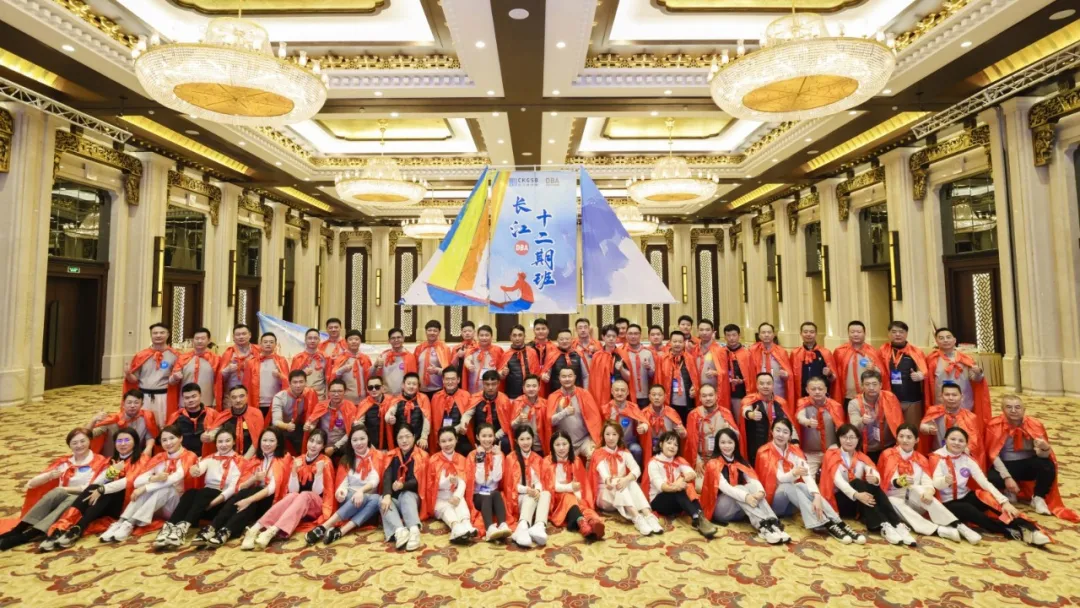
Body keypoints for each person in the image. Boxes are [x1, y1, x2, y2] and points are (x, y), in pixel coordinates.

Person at [930, 427, 1049, 546]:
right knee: (969, 510)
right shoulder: (937, 457)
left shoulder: (967, 459)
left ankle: (1030, 528)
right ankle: (1012, 531)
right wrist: (945, 481)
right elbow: (936, 485)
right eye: (953, 439)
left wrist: (1004, 502)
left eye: (961, 441)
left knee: (988, 498)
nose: (956, 443)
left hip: (965, 496)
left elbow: (985, 483)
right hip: (946, 503)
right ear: (945, 440)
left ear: (966, 444)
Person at [40, 428, 152, 551]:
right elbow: (97, 482)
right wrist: (111, 473)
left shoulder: (142, 459)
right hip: (104, 501)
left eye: (127, 440)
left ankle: (78, 527)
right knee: (93, 488)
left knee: (106, 491)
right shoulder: (111, 460)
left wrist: (102, 489)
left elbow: (129, 481)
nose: (123, 444)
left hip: (126, 503)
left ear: (135, 442)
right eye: (119, 441)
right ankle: (62, 528)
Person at [0, 428, 110, 550]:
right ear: (69, 445)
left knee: (69, 498)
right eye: (74, 443)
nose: (79, 445)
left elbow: (92, 487)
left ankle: (29, 534)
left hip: (85, 500)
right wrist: (50, 476)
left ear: (89, 441)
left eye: (82, 441)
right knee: (57, 493)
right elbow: (31, 484)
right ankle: (18, 529)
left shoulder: (101, 462)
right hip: (62, 494)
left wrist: (64, 489)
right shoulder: (65, 462)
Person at [753, 418, 854, 543]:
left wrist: (816, 496)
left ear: (790, 436)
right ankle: (824, 523)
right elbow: (781, 478)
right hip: (773, 503)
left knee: (801, 485)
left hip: (794, 502)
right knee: (787, 486)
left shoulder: (795, 451)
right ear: (771, 432)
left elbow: (807, 475)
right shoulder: (764, 452)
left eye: (785, 432)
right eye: (777, 430)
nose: (781, 435)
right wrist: (794, 473)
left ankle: (837, 521)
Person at [877, 424, 979, 543]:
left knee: (919, 489)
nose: (905, 440)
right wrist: (899, 481)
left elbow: (927, 482)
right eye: (901, 436)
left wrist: (930, 491)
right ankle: (939, 530)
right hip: (894, 500)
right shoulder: (888, 454)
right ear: (897, 438)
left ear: (916, 440)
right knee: (892, 501)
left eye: (909, 437)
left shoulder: (921, 459)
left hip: (916, 500)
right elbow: (886, 480)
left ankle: (958, 525)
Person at [818, 424, 916, 546]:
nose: (848, 441)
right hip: (838, 502)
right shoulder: (831, 455)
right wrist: (856, 495)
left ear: (858, 439)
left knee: (873, 486)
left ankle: (896, 524)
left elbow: (873, 472)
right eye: (844, 437)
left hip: (859, 503)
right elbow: (838, 481)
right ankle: (882, 525)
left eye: (852, 437)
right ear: (839, 438)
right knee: (857, 482)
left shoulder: (862, 457)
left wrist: (875, 479)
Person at [984, 395, 1078, 522]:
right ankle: (1008, 490)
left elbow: (1043, 456)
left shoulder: (1034, 425)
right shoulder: (994, 425)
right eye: (1009, 407)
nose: (1013, 410)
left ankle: (1038, 497)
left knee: (1048, 466)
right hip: (1005, 463)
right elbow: (993, 455)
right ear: (1002, 409)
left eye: (1017, 407)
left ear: (1024, 410)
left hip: (1027, 463)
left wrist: (1045, 448)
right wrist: (1007, 478)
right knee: (992, 478)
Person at [101, 426, 198, 543]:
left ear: (181, 438)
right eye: (164, 440)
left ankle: (130, 523)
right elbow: (137, 481)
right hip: (155, 505)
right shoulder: (159, 457)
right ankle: (121, 522)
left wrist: (144, 488)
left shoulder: (189, 456)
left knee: (167, 489)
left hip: (177, 506)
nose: (168, 443)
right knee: (148, 489)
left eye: (172, 438)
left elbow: (174, 478)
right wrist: (153, 478)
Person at [242, 429, 336, 550]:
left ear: (323, 446)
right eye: (311, 441)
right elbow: (293, 490)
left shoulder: (325, 462)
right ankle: (255, 528)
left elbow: (319, 493)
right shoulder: (299, 459)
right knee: (292, 495)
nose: (313, 445)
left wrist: (319, 474)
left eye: (318, 443)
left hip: (317, 505)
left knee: (305, 494)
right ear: (307, 441)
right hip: (299, 504)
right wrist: (294, 472)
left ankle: (273, 530)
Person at [204, 428, 291, 548]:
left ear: (278, 443)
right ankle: (214, 527)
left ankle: (226, 530)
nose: (267, 444)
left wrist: (248, 500)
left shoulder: (284, 458)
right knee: (246, 492)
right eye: (264, 440)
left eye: (271, 441)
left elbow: (272, 489)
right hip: (254, 499)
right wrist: (254, 479)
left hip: (272, 501)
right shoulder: (256, 459)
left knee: (253, 493)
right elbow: (241, 486)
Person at [700, 428, 789, 544]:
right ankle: (763, 526)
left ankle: (773, 523)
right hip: (721, 509)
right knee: (740, 488)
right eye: (723, 442)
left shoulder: (740, 461)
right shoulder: (713, 464)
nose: (727, 446)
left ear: (735, 444)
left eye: (730, 442)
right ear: (717, 444)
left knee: (753, 487)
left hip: (740, 507)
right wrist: (746, 497)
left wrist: (760, 492)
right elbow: (726, 488)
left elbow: (752, 479)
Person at [158, 427, 242, 549]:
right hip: (203, 502)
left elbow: (233, 488)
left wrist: (212, 503)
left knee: (206, 492)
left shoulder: (240, 461)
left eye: (227, 441)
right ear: (215, 443)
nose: (223, 445)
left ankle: (183, 528)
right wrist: (194, 470)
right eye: (220, 441)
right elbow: (199, 468)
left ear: (234, 442)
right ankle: (170, 526)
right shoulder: (210, 458)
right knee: (190, 492)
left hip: (221, 503)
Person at [305, 425, 384, 546]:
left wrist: (361, 491)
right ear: (350, 442)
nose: (359, 443)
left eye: (362, 439)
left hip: (367, 499)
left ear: (368, 439)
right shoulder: (346, 459)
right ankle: (325, 527)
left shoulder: (377, 456)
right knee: (363, 497)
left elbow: (375, 480)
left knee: (377, 498)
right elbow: (342, 483)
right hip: (349, 498)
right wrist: (340, 492)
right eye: (355, 440)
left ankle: (340, 531)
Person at [589, 421, 662, 536]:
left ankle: (648, 515)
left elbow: (636, 469)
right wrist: (610, 480)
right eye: (607, 434)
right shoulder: (598, 453)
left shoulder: (624, 452)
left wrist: (626, 479)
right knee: (618, 481)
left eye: (614, 434)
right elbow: (604, 473)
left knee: (630, 482)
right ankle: (636, 517)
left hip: (621, 490)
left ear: (619, 436)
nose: (611, 438)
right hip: (604, 495)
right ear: (603, 436)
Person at [647, 431, 718, 538]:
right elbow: (661, 486)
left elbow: (692, 474)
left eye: (676, 444)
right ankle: (698, 518)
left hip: (676, 502)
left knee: (687, 486)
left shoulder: (679, 460)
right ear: (661, 444)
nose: (672, 446)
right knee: (679, 491)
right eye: (669, 443)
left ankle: (699, 518)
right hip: (659, 501)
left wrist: (682, 479)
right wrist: (676, 486)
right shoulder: (654, 463)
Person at [545, 429, 605, 540]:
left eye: (564, 444)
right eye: (557, 445)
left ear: (570, 445)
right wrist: (569, 487)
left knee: (581, 504)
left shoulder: (576, 461)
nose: (561, 448)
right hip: (556, 498)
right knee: (568, 496)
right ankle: (582, 522)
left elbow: (582, 485)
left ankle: (592, 522)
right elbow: (551, 486)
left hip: (573, 496)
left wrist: (578, 496)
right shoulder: (547, 462)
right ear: (552, 446)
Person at [924, 328, 991, 423]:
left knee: (964, 430)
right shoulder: (932, 360)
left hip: (964, 404)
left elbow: (976, 380)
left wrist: (978, 373)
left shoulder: (965, 359)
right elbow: (927, 385)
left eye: (948, 337)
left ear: (954, 340)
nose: (945, 340)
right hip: (941, 405)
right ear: (936, 341)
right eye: (941, 338)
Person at [426, 427, 478, 544]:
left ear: (456, 440)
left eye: (450, 440)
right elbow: (432, 485)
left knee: (461, 504)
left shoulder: (461, 459)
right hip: (439, 498)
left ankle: (466, 524)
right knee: (448, 510)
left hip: (455, 495)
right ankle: (455, 527)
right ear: (438, 443)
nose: (447, 444)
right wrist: (449, 481)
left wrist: (457, 495)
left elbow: (464, 481)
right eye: (443, 441)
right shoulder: (433, 460)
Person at [380, 426, 429, 552]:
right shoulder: (391, 455)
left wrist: (403, 485)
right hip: (396, 501)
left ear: (414, 437)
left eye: (407, 436)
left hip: (413, 499)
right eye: (400, 437)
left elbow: (420, 482)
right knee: (382, 500)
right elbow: (387, 477)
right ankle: (400, 530)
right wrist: (387, 495)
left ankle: (414, 530)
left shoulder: (422, 456)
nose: (404, 440)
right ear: (396, 440)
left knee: (406, 494)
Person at [123, 323, 180, 427]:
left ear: (168, 334)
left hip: (164, 397)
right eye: (155, 333)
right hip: (143, 397)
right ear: (151, 335)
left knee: (163, 424)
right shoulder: (141, 355)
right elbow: (134, 380)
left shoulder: (175, 355)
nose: (158, 335)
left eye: (162, 333)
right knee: (142, 425)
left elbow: (177, 380)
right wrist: (128, 374)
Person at [505, 425, 552, 547]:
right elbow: (510, 486)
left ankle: (539, 526)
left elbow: (539, 481)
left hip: (532, 498)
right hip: (518, 498)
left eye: (528, 438)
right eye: (522, 439)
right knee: (529, 496)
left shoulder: (537, 458)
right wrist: (527, 490)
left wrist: (537, 490)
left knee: (546, 493)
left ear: (532, 439)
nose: (525, 442)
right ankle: (522, 526)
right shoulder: (510, 458)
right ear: (516, 441)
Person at [541, 367, 602, 460]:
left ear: (575, 377)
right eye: (564, 376)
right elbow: (550, 422)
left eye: (570, 376)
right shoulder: (553, 397)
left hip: (584, 440)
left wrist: (593, 439)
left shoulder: (584, 394)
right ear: (559, 378)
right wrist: (564, 413)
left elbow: (595, 420)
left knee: (595, 455)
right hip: (564, 442)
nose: (567, 379)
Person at [466, 424, 514, 541]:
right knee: (488, 494)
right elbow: (480, 481)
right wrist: (480, 458)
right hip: (478, 495)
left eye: (490, 436)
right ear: (477, 437)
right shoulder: (472, 455)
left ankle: (502, 524)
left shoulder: (498, 453)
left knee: (496, 493)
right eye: (484, 436)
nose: (487, 439)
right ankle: (489, 528)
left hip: (493, 493)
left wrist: (497, 457)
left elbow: (497, 478)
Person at [684, 384, 738, 487]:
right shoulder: (694, 415)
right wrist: (697, 461)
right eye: (704, 396)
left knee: (725, 485)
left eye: (710, 395)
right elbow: (691, 441)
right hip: (702, 460)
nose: (708, 398)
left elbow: (737, 438)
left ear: (716, 396)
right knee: (700, 487)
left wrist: (730, 430)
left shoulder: (725, 413)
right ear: (700, 398)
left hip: (722, 459)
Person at [920, 382, 983, 465]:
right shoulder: (933, 411)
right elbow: (922, 429)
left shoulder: (970, 417)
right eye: (947, 395)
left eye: (954, 395)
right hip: (937, 457)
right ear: (941, 397)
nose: (950, 398)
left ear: (962, 397)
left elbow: (974, 440)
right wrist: (926, 428)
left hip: (960, 458)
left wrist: (967, 449)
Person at [847, 369, 903, 462]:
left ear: (880, 385)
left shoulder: (890, 398)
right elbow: (853, 427)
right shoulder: (854, 403)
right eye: (867, 384)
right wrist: (862, 421)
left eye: (874, 384)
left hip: (889, 446)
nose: (871, 387)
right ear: (862, 386)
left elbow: (899, 422)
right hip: (866, 449)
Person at [880, 321, 927, 428]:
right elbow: (879, 369)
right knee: (891, 431)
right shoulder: (883, 351)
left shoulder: (916, 351)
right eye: (894, 332)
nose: (897, 334)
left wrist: (920, 375)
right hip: (890, 399)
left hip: (912, 399)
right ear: (888, 334)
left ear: (906, 334)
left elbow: (923, 370)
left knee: (912, 429)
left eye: (901, 332)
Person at [794, 377, 845, 476]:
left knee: (837, 477)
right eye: (813, 389)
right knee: (807, 478)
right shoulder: (802, 403)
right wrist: (807, 422)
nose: (817, 392)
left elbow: (841, 429)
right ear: (807, 390)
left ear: (826, 390)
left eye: (820, 389)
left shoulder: (835, 406)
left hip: (831, 452)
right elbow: (799, 417)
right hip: (810, 453)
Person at [88, 389, 159, 458]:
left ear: (142, 404)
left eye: (136, 403)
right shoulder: (112, 420)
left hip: (135, 457)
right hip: (113, 457)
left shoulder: (146, 417)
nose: (132, 405)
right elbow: (88, 434)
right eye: (129, 402)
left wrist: (149, 448)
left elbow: (150, 437)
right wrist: (93, 420)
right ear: (123, 404)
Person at [739, 374, 792, 465]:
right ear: (757, 385)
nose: (765, 386)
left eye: (768, 383)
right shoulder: (750, 400)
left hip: (778, 445)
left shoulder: (781, 402)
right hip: (757, 447)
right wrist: (751, 414)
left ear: (773, 385)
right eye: (762, 383)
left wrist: (794, 441)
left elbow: (789, 423)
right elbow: (745, 410)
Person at [832, 320, 886, 403]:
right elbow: (835, 375)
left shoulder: (872, 351)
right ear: (848, 333)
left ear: (864, 333)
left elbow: (883, 374)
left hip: (868, 397)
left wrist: (874, 368)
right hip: (847, 396)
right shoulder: (839, 352)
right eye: (852, 332)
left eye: (859, 332)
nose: (855, 334)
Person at [204, 385, 264, 457]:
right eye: (234, 397)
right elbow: (215, 431)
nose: (238, 400)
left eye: (241, 396)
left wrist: (244, 460)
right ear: (230, 399)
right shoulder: (224, 415)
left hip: (250, 456)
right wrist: (208, 437)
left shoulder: (256, 414)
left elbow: (256, 441)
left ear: (247, 397)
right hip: (227, 456)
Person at [602, 379, 650, 469]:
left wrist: (644, 426)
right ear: (612, 391)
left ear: (627, 392)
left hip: (629, 442)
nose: (619, 393)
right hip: (611, 443)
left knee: (637, 450)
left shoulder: (633, 407)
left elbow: (643, 421)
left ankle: (636, 474)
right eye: (617, 390)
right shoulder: (606, 409)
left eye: (623, 390)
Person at [304, 379, 358, 458]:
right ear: (328, 392)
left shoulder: (350, 407)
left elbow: (352, 431)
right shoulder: (321, 406)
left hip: (342, 445)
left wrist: (335, 447)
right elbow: (314, 424)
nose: (336, 394)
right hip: (322, 444)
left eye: (340, 391)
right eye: (333, 391)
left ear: (345, 392)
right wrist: (309, 428)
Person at [462, 370, 512, 454]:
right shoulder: (476, 397)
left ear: (498, 383)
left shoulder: (504, 400)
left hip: (497, 435)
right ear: (483, 384)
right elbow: (468, 414)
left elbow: (506, 425)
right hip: (479, 435)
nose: (490, 387)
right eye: (487, 384)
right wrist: (464, 423)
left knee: (506, 442)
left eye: (493, 384)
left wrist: (493, 437)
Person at [271, 370, 320, 454]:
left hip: (298, 427)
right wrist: (286, 426)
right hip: (281, 427)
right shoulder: (279, 397)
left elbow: (315, 417)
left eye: (301, 382)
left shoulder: (310, 395)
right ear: (289, 383)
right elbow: (275, 421)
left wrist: (310, 427)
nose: (298, 385)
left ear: (306, 383)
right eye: (295, 382)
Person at [656, 331, 700, 424]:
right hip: (669, 401)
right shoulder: (663, 359)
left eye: (680, 342)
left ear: (684, 343)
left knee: (686, 425)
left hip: (687, 401)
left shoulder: (690, 358)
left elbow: (696, 378)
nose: (677, 344)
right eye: (675, 341)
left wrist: (695, 387)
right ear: (670, 342)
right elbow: (658, 379)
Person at [172, 327, 220, 410]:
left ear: (209, 340)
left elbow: (220, 382)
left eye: (203, 338)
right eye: (197, 338)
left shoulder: (216, 359)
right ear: (193, 340)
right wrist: (175, 378)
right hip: (185, 403)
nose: (199, 341)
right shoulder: (183, 358)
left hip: (207, 403)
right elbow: (171, 381)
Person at [429, 367, 474, 454]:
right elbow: (433, 423)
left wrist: (457, 429)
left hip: (461, 435)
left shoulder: (466, 395)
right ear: (443, 380)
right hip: (442, 437)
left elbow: (470, 419)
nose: (450, 382)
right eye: (447, 379)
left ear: (458, 380)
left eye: (453, 379)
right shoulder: (436, 397)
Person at [245, 332, 289, 418]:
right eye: (265, 342)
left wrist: (280, 376)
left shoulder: (281, 361)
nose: (268, 344)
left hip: (276, 402)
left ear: (275, 344)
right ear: (260, 344)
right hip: (257, 402)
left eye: (271, 342)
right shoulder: (251, 362)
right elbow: (246, 384)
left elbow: (288, 383)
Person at [749, 323, 794, 405]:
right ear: (759, 335)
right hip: (759, 392)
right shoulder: (752, 351)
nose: (766, 335)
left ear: (773, 335)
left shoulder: (781, 351)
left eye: (769, 332)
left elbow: (789, 374)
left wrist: (786, 375)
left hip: (778, 391)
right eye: (763, 332)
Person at [384, 373, 431, 450]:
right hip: (401, 439)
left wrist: (424, 437)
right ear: (403, 385)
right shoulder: (397, 399)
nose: (411, 386)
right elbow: (389, 413)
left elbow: (427, 418)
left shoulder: (423, 398)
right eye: (408, 383)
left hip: (418, 439)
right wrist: (389, 418)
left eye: (414, 384)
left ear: (418, 386)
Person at [790, 322, 837, 398]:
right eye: (805, 332)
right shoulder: (795, 353)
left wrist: (829, 374)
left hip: (821, 395)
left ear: (816, 334)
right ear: (801, 334)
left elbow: (834, 379)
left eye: (812, 332)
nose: (808, 334)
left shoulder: (826, 353)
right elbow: (791, 379)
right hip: (802, 395)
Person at [588, 324, 631, 406]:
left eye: (614, 336)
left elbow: (629, 378)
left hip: (620, 394)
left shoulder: (623, 354)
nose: (611, 339)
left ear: (617, 338)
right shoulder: (597, 356)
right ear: (603, 337)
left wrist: (621, 369)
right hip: (602, 394)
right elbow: (593, 381)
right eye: (608, 336)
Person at [642, 384, 687, 461]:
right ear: (649, 397)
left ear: (665, 396)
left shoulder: (671, 412)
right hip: (649, 447)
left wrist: (682, 432)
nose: (657, 397)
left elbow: (683, 435)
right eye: (654, 395)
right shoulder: (643, 413)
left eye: (660, 395)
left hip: (668, 448)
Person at [166, 383, 212, 457]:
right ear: (183, 399)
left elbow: (220, 432)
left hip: (207, 457)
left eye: (194, 396)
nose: (190, 400)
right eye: (187, 398)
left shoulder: (212, 414)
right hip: (182, 458)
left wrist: (212, 436)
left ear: (200, 395)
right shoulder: (176, 416)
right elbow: (167, 437)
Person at [217, 325, 254, 411]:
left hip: (252, 395)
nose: (241, 337)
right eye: (238, 334)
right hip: (232, 396)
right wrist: (228, 370)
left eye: (244, 334)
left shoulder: (257, 352)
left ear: (250, 335)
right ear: (233, 337)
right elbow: (219, 379)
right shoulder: (228, 354)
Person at [499, 324, 541, 400]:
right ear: (510, 337)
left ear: (524, 336)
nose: (517, 338)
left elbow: (537, 374)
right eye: (514, 335)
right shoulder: (506, 354)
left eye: (520, 335)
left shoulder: (532, 352)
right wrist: (503, 373)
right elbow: (500, 377)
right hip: (512, 397)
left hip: (530, 396)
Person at [331, 329, 373, 403]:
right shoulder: (340, 358)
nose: (354, 341)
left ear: (360, 341)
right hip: (345, 400)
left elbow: (371, 377)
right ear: (346, 342)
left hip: (364, 400)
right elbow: (333, 380)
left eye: (356, 339)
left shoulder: (365, 358)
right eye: (350, 339)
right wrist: (341, 371)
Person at [720, 324, 752, 422]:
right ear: (725, 337)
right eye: (728, 335)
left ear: (739, 336)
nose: (731, 338)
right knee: (725, 420)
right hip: (724, 392)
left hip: (740, 393)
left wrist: (742, 381)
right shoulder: (721, 352)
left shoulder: (747, 353)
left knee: (739, 420)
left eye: (734, 335)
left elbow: (751, 375)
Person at [620, 324, 657, 407]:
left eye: (636, 334)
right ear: (626, 335)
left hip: (644, 395)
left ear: (640, 335)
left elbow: (653, 375)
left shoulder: (648, 352)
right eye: (630, 333)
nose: (633, 336)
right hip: (627, 394)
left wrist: (649, 368)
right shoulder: (622, 352)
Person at [541, 329, 587, 394]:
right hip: (556, 394)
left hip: (576, 394)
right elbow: (546, 376)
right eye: (561, 339)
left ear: (572, 340)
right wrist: (544, 377)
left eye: (567, 339)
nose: (564, 341)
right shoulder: (551, 355)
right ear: (557, 340)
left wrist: (585, 392)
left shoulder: (579, 354)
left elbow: (585, 376)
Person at [376, 328, 418, 397]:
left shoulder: (410, 357)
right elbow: (377, 375)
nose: (396, 340)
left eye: (399, 337)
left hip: (404, 396)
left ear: (403, 338)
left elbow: (413, 378)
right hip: (386, 396)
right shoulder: (383, 356)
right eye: (393, 338)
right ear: (389, 341)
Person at [415, 320, 451, 401]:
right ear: (426, 332)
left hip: (438, 389)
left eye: (435, 331)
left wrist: (437, 370)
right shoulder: (419, 348)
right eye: (429, 330)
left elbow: (448, 370)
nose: (432, 333)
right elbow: (415, 368)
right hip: (421, 390)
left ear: (439, 332)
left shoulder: (444, 349)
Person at [463, 325, 503, 394]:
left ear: (491, 336)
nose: (484, 338)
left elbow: (502, 366)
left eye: (487, 335)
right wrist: (469, 365)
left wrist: (502, 373)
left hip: (491, 388)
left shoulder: (498, 350)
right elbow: (467, 360)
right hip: (474, 389)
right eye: (481, 335)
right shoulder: (472, 350)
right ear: (477, 337)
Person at [291, 328, 328, 399]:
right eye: (310, 338)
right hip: (301, 397)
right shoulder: (298, 358)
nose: (312, 341)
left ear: (319, 340)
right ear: (305, 340)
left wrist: (327, 398)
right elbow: (292, 379)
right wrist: (303, 373)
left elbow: (328, 379)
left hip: (320, 397)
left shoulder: (325, 357)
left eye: (315, 338)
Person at [509, 375, 545, 442]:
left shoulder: (545, 404)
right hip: (522, 443)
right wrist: (518, 419)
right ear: (523, 388)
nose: (531, 389)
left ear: (539, 387)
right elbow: (512, 426)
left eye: (534, 386)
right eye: (528, 386)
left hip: (540, 444)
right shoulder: (517, 402)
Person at [356, 377, 389, 450]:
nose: (374, 390)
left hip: (390, 446)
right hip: (371, 447)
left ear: (382, 388)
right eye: (370, 387)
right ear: (367, 389)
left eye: (377, 387)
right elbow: (359, 426)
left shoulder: (391, 401)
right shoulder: (364, 404)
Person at [527, 319, 554, 395]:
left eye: (543, 328)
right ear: (534, 330)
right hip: (532, 384)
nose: (540, 331)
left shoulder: (555, 348)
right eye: (538, 329)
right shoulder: (527, 348)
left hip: (550, 383)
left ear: (548, 330)